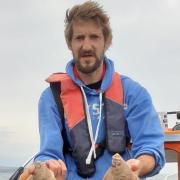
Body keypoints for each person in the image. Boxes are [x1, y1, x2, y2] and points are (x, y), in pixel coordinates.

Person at [29, 1, 165, 179]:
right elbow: (49, 151)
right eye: (79, 38)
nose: (86, 46)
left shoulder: (133, 93)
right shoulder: (51, 97)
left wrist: (138, 165)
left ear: (107, 41)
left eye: (94, 37)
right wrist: (49, 164)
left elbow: (151, 147)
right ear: (69, 43)